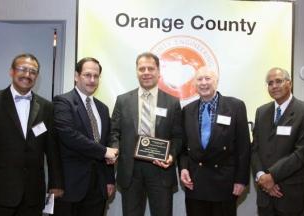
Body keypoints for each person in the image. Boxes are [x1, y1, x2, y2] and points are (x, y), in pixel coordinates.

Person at [0, 53, 64, 216]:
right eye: (22, 69)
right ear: (12, 72)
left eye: (32, 71)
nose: (27, 75)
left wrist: (55, 183)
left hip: (33, 194)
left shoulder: (46, 107)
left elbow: (52, 149)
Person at [109, 52, 182, 216]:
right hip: (131, 170)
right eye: (142, 69)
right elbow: (114, 131)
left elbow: (178, 136)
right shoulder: (123, 100)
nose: (146, 72)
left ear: (158, 72)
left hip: (160, 169)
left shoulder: (172, 102)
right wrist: (115, 148)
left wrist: (171, 155)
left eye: (151, 68)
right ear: (137, 72)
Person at [179, 66, 251, 216]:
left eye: (208, 78)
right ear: (194, 84)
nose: (203, 83)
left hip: (224, 182)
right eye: (199, 79)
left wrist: (241, 180)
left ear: (216, 81)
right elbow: (183, 147)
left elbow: (244, 147)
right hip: (195, 183)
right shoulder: (187, 110)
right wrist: (183, 168)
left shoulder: (235, 106)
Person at [52, 57, 118, 216]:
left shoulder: (102, 108)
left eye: (96, 76)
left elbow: (107, 141)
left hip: (98, 187)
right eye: (87, 75)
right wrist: (104, 151)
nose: (92, 80)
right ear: (76, 76)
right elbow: (69, 135)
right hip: (70, 185)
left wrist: (109, 179)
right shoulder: (63, 102)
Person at [251, 67, 304, 216]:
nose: (274, 86)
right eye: (270, 83)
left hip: (290, 195)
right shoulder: (261, 112)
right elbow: (255, 148)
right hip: (265, 196)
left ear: (289, 83)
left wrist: (271, 176)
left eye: (278, 81)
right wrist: (261, 176)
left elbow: (301, 153)